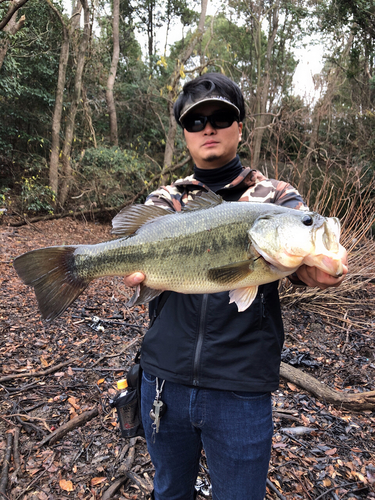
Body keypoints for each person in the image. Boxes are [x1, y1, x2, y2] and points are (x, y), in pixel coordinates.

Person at [124, 73, 348, 500]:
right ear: (185, 135)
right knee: (169, 491)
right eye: (195, 122)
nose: (208, 127)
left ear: (239, 127)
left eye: (220, 117)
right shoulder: (165, 201)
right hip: (165, 381)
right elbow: (137, 255)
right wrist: (133, 274)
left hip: (241, 388)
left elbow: (302, 263)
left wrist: (324, 265)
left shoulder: (279, 199)